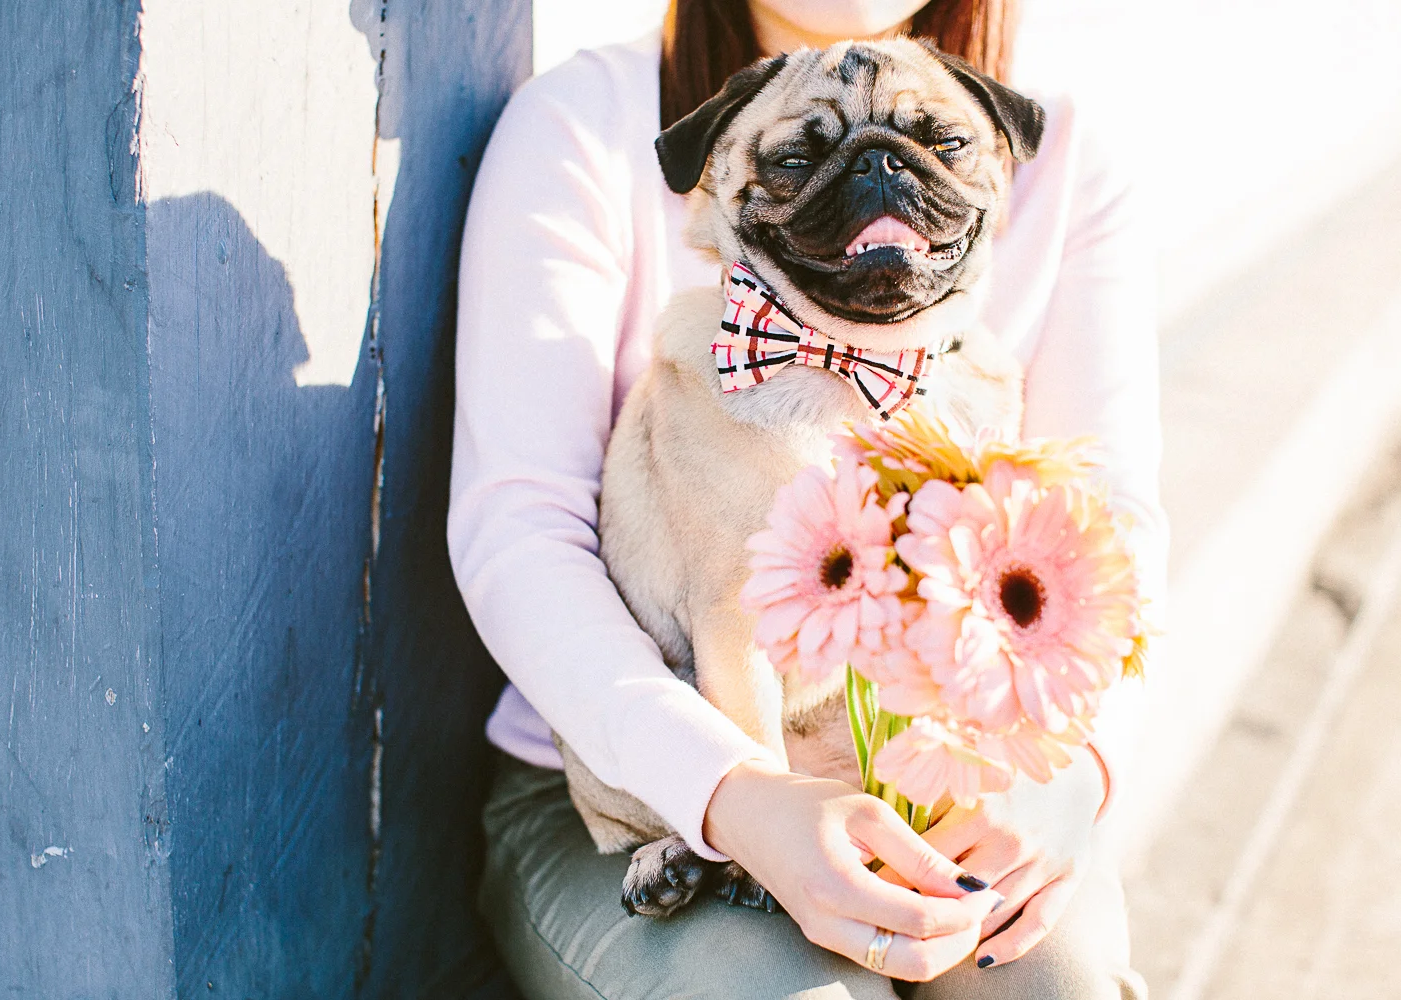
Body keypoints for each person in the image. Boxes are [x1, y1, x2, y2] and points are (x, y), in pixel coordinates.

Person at [448, 1, 1166, 996]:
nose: (882, 180)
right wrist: (732, 795)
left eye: (936, 147)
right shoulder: (585, 122)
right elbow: (516, 529)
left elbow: (1112, 519)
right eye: (800, 163)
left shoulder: (1065, 141)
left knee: (1054, 982)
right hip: (621, 788)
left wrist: (1078, 772)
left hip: (951, 774)